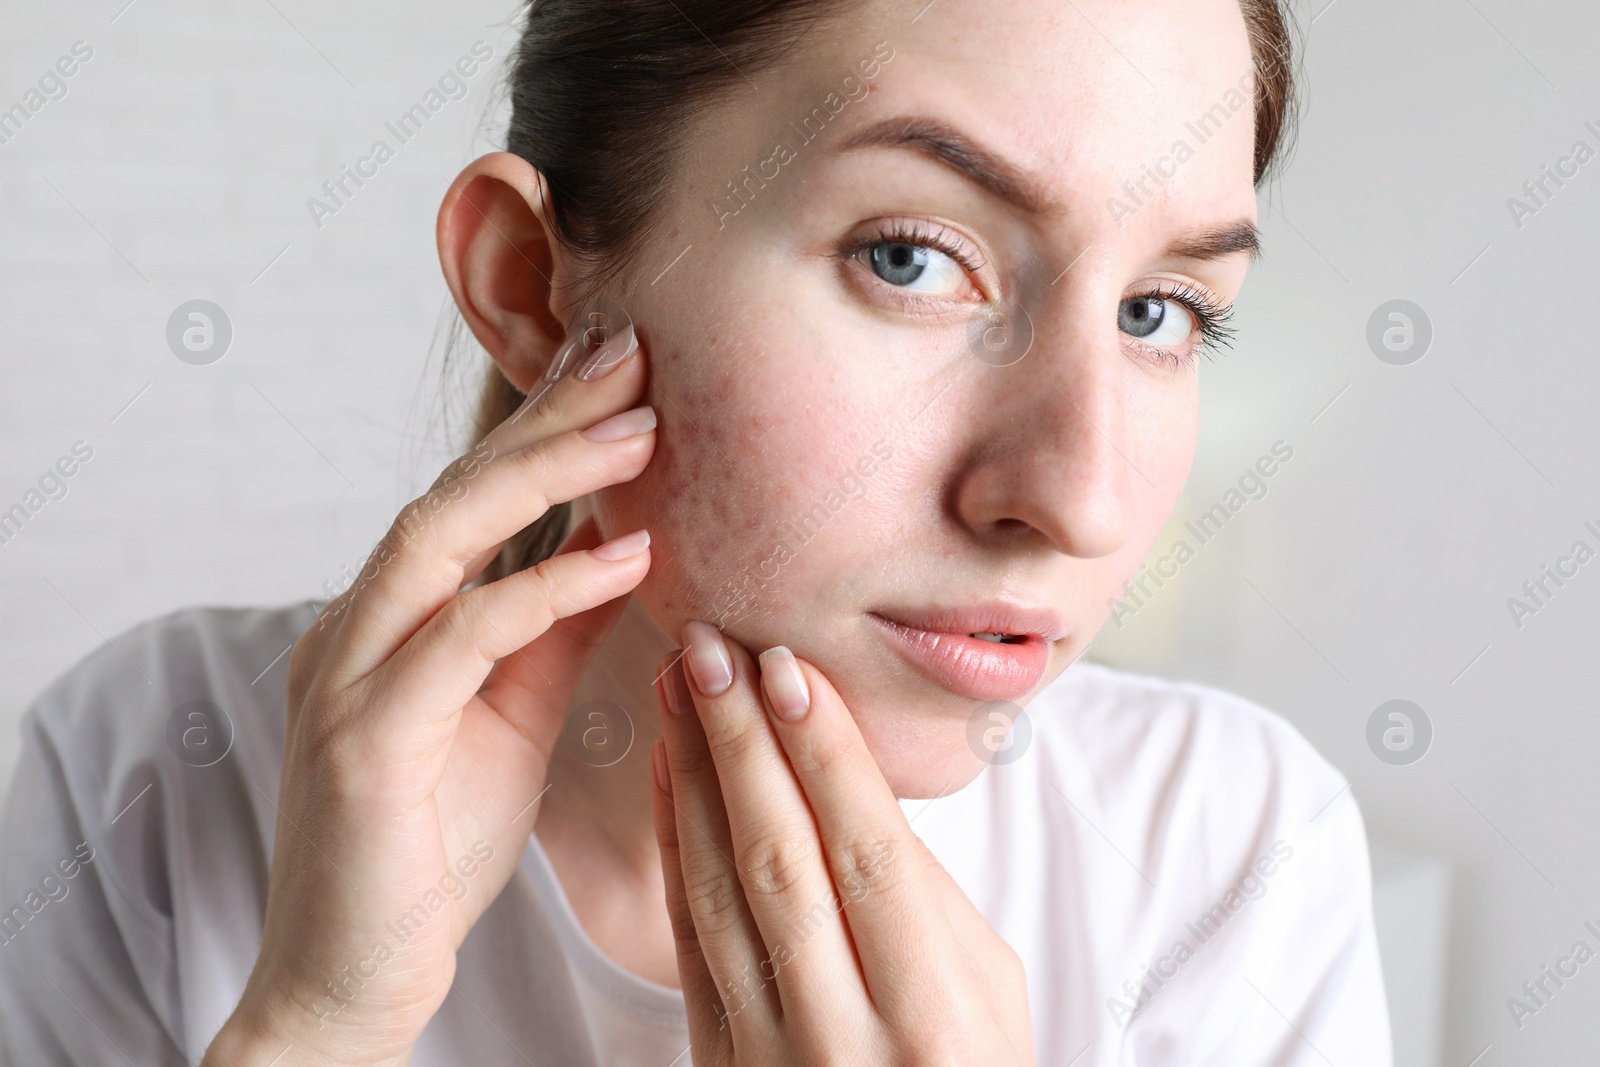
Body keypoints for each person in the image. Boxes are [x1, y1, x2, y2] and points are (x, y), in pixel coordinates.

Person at [0, 0, 1394, 1063]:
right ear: (540, 288)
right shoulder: (149, 764)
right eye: (909, 257)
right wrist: (314, 1020)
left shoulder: (1231, 853)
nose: (1078, 499)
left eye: (1161, 312)